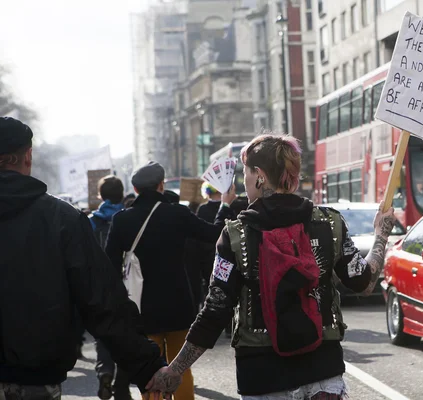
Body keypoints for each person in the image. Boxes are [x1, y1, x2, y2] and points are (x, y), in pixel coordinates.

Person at [146, 134, 396, 399]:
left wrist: (175, 369)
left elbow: (215, 310)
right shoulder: (329, 223)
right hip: (323, 370)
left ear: (260, 175)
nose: (244, 182)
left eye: (245, 173)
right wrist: (381, 234)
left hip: (262, 374)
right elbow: (365, 282)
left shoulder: (235, 234)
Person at [0, 117, 166, 400]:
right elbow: (101, 301)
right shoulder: (60, 218)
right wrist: (147, 366)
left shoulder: (62, 218)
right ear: (28, 157)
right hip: (35, 377)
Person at [104, 161, 236, 400]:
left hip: (141, 309)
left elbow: (109, 266)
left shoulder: (122, 220)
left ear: (135, 190)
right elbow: (214, 233)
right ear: (161, 185)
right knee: (180, 368)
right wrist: (225, 205)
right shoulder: (177, 214)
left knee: (150, 370)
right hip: (178, 305)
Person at [88, 175, 132, 400]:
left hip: (97, 287)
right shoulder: (126, 219)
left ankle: (105, 372)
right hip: (126, 285)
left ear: (100, 196)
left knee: (103, 334)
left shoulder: (89, 221)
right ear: (122, 193)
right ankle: (122, 387)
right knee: (126, 335)